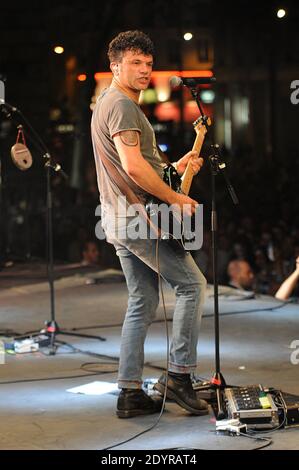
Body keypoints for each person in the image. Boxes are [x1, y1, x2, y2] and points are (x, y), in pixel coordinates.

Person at [91, 30, 208, 419]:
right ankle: (179, 376)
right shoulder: (123, 105)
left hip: (117, 217)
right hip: (138, 220)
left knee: (141, 300)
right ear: (115, 66)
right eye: (135, 63)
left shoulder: (107, 103)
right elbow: (133, 166)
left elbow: (140, 167)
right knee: (192, 286)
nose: (144, 70)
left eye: (148, 64)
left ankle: (129, 393)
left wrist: (176, 168)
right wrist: (177, 198)